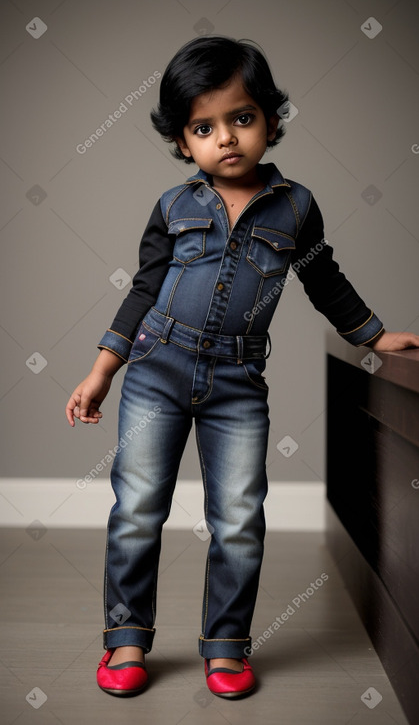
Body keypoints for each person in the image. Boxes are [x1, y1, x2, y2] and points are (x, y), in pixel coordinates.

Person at [65, 36, 419, 699]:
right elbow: (142, 291)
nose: (225, 138)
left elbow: (322, 278)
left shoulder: (295, 207)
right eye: (204, 127)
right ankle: (126, 640)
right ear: (182, 142)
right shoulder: (173, 208)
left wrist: (371, 334)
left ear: (271, 121)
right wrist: (101, 370)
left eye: (241, 118)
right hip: (154, 369)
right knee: (138, 507)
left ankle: (226, 646)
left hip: (236, 384)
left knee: (237, 514)